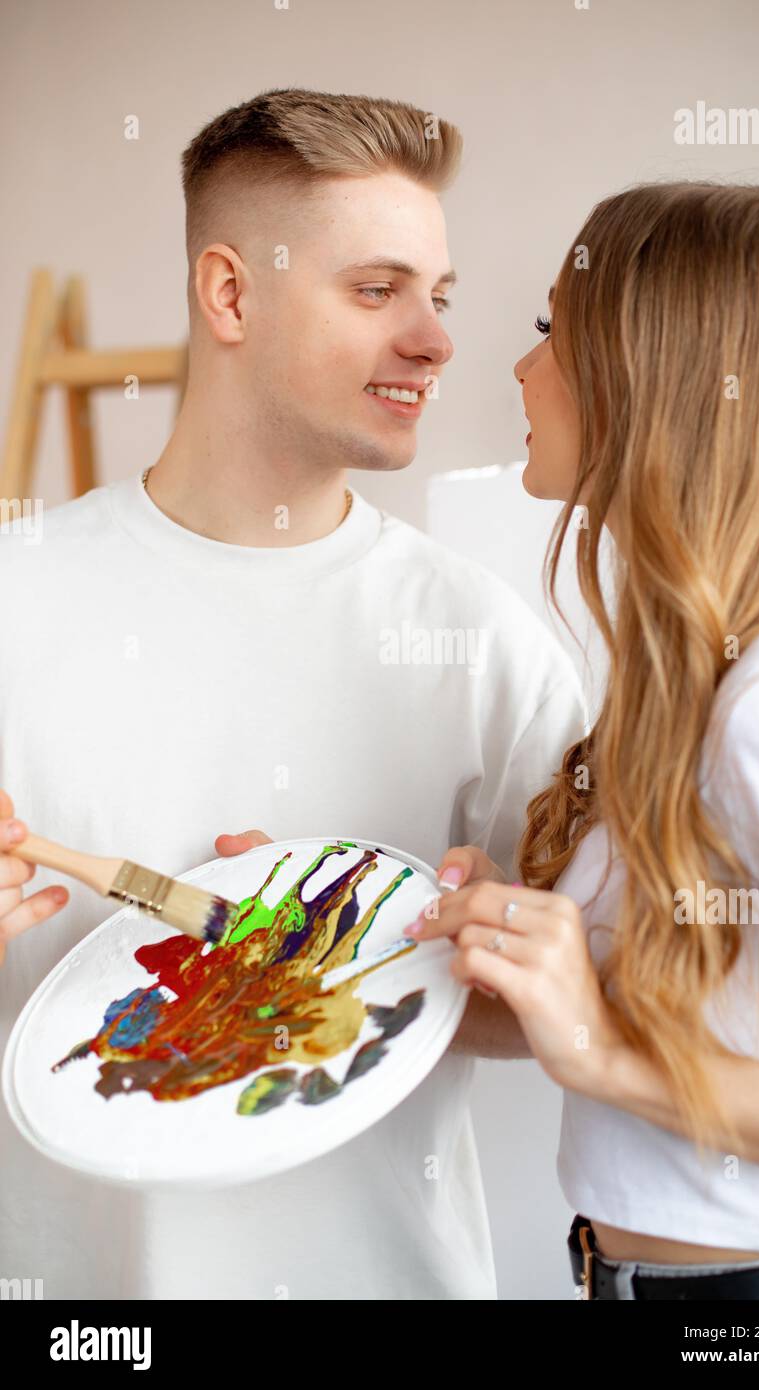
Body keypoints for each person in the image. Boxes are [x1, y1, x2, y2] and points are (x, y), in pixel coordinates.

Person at [0, 88, 587, 1300]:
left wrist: (345, 955)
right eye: (377, 292)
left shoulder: (481, 641)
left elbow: (578, 1006)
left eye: (440, 296)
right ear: (230, 294)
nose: (433, 339)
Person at [414, 181, 759, 1301]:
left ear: (652, 381)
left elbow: (610, 1052)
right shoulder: (699, 680)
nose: (519, 373)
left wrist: (604, 1057)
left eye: (545, 337)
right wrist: (460, 946)